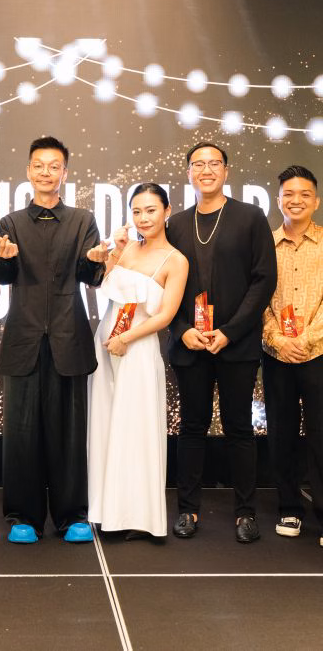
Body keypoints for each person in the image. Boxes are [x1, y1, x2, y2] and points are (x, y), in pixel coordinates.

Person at [0, 136, 106, 544]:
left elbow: (91, 276)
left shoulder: (83, 220)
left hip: (69, 339)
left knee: (69, 433)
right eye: (39, 165)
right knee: (22, 433)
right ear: (28, 171)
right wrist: (4, 258)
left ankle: (72, 515)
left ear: (64, 173)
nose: (46, 172)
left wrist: (95, 262)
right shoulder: (10, 224)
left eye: (54, 166)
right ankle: (24, 516)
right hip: (23, 340)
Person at [167, 142, 277, 543]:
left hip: (237, 344)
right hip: (190, 343)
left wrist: (230, 331)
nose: (206, 170)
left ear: (226, 171)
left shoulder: (250, 217)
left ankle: (246, 513)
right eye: (198, 164)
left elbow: (263, 280)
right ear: (189, 172)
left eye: (214, 163)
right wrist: (182, 329)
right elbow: (162, 286)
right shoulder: (176, 224)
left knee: (239, 428)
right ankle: (187, 509)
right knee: (192, 427)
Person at [88, 184, 188, 537]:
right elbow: (105, 287)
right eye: (136, 211)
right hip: (106, 344)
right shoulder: (127, 248)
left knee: (135, 429)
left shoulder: (176, 260)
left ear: (167, 211)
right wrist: (112, 254)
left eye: (150, 210)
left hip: (138, 349)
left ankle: (138, 518)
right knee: (106, 425)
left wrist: (126, 339)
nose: (143, 218)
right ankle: (106, 510)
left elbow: (165, 315)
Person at [262, 166, 322, 548]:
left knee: (321, 434)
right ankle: (289, 507)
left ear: (316, 201)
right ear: (279, 199)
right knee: (281, 432)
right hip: (277, 354)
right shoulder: (265, 245)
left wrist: (307, 339)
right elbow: (258, 300)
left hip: (319, 352)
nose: (296, 200)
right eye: (289, 193)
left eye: (304, 194)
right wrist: (278, 340)